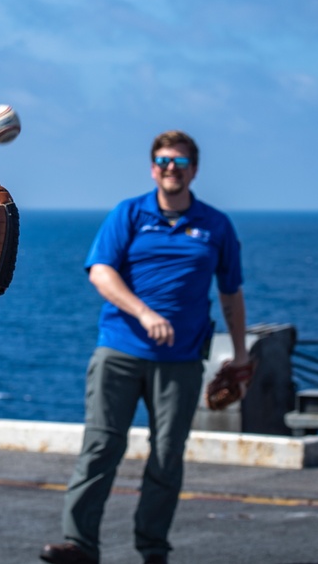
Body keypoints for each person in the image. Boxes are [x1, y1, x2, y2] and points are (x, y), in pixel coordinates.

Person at [40, 130, 248, 564]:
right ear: (153, 167)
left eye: (180, 162)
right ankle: (79, 544)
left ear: (194, 169)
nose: (171, 168)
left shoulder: (216, 226)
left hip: (182, 360)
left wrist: (242, 354)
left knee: (168, 457)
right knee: (101, 447)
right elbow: (100, 272)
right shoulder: (129, 214)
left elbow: (231, 293)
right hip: (119, 350)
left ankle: (153, 549)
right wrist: (144, 313)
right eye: (163, 161)